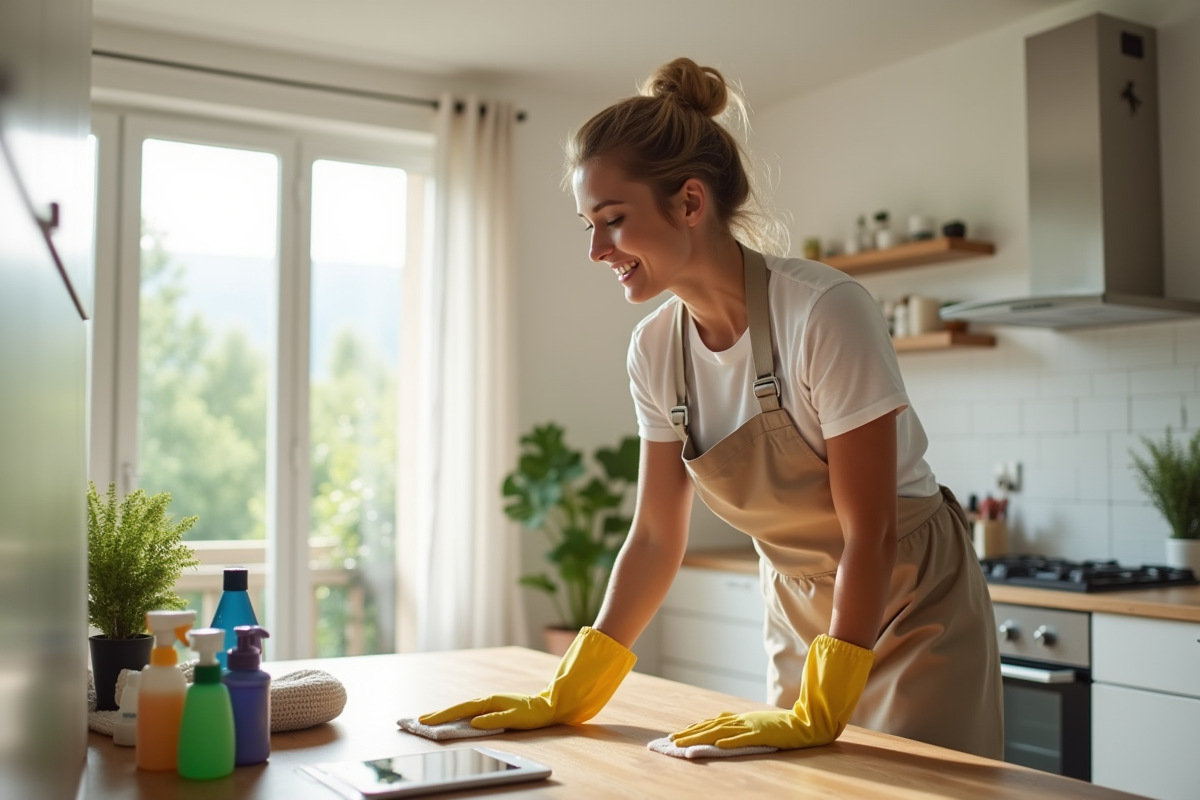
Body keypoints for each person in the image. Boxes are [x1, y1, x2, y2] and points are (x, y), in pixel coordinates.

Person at [420, 57, 1003, 758]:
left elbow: (870, 531)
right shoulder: (655, 350)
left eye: (612, 220)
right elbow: (657, 538)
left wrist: (825, 702)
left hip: (911, 601)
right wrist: (571, 689)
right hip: (797, 608)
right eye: (588, 226)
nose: (597, 249)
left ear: (690, 203)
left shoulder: (823, 314)